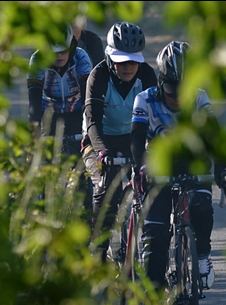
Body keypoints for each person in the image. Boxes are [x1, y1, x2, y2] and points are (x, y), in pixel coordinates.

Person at [129, 41, 226, 305]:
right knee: (156, 239)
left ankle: (202, 256)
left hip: (192, 162)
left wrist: (221, 168)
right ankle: (153, 303)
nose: (177, 99)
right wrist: (141, 169)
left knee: (201, 206)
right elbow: (137, 140)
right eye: (172, 90)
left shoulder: (199, 99)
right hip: (158, 165)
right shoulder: (145, 100)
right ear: (161, 82)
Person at [81, 21, 157, 262]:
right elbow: (92, 122)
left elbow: (155, 118)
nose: (128, 66)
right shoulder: (98, 76)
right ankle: (99, 253)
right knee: (105, 190)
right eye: (122, 60)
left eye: (133, 60)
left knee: (153, 184)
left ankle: (150, 249)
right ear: (109, 58)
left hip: (135, 138)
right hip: (100, 140)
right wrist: (102, 151)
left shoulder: (146, 75)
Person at [27, 24, 93, 157]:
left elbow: (88, 96)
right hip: (48, 113)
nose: (59, 56)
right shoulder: (37, 60)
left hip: (76, 112)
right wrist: (34, 132)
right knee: (47, 159)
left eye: (63, 50)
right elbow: (34, 102)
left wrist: (88, 128)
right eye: (54, 52)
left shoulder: (81, 57)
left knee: (79, 162)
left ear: (71, 47)